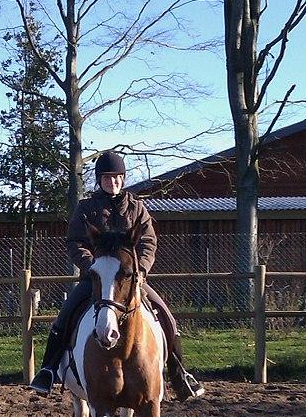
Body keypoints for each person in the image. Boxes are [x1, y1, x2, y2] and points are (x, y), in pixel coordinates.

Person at [29, 149, 205, 401]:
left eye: (117, 177)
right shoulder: (86, 208)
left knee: (166, 316)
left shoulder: (137, 208)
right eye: (108, 178)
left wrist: (141, 269)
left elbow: (148, 242)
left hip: (130, 280)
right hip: (96, 279)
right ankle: (48, 371)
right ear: (100, 180)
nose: (113, 182)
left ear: (123, 179)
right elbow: (75, 242)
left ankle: (180, 374)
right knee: (64, 316)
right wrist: (93, 267)